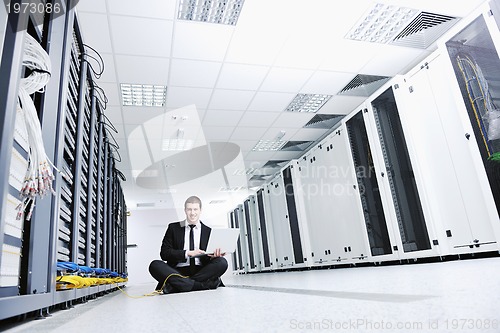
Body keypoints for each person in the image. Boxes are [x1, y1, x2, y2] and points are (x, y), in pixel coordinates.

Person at [149, 196, 228, 294]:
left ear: (200, 210)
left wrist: (213, 257)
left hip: (201, 271)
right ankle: (200, 285)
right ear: (185, 210)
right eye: (189, 209)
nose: (192, 213)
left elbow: (208, 257)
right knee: (155, 265)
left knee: (222, 262)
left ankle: (179, 285)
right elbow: (164, 253)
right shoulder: (173, 228)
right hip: (177, 271)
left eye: (195, 209)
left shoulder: (208, 231)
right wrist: (187, 253)